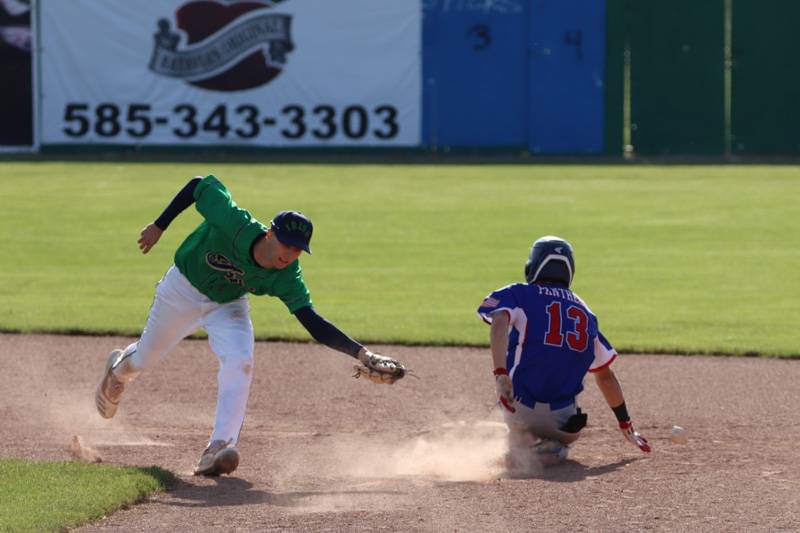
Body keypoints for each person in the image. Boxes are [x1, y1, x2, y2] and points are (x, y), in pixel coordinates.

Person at [95, 174, 406, 476]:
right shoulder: (232, 221)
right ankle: (118, 371)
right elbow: (197, 185)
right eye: (287, 244)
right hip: (181, 291)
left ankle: (218, 448)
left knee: (240, 362)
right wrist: (160, 225)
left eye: (298, 249)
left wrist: (362, 355)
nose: (291, 254)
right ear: (271, 234)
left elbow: (312, 322)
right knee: (144, 360)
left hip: (228, 305)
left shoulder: (287, 275)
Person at [476, 236, 650, 469]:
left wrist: (500, 372)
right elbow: (605, 376)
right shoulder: (587, 314)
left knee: (495, 427)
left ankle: (515, 444)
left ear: (532, 266)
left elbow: (498, 319)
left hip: (518, 409)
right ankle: (553, 449)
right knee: (560, 428)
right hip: (564, 424)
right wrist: (625, 424)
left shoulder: (519, 293)